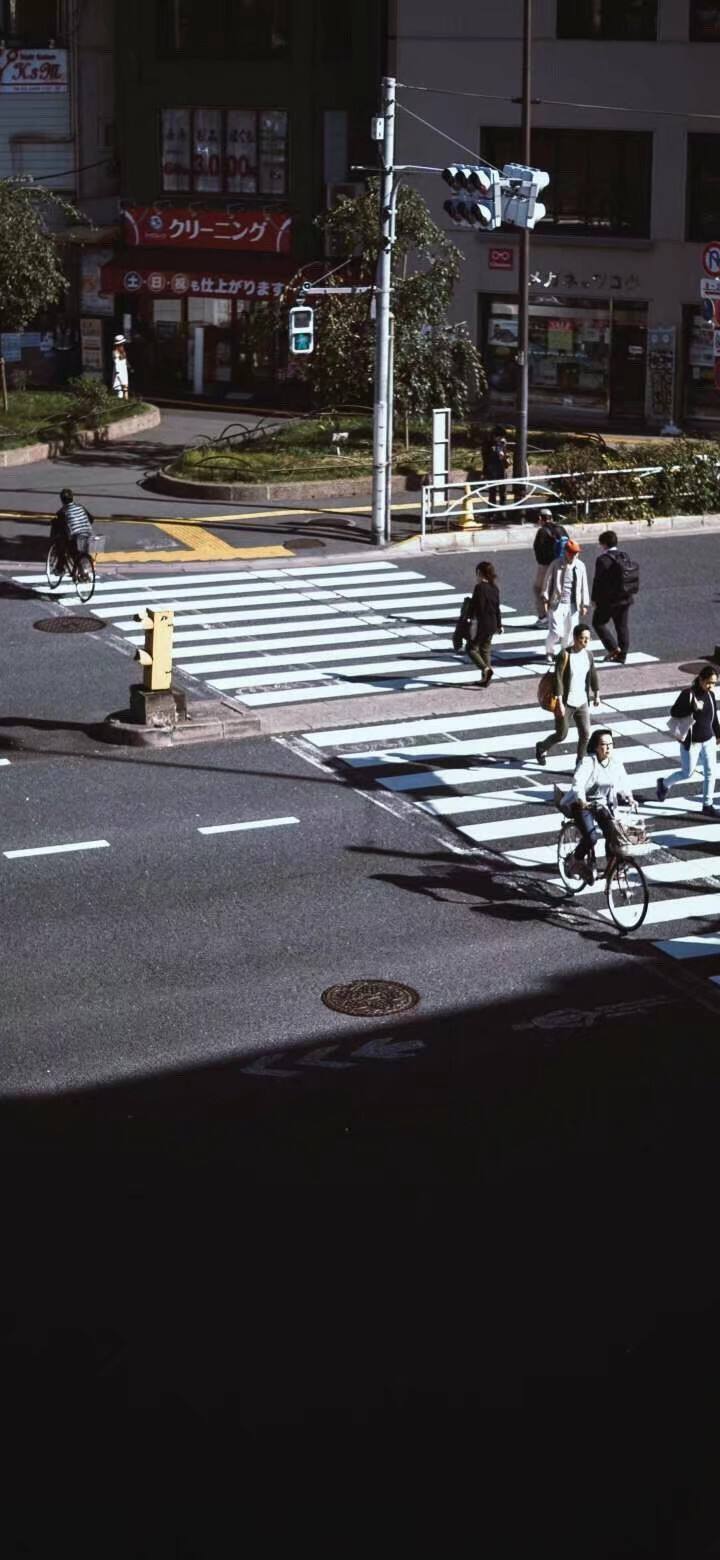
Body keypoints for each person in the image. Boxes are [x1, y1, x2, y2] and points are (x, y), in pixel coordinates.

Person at [561, 728, 636, 884]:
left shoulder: (615, 763)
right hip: (583, 804)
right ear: (596, 747)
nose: (607, 748)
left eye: (610, 744)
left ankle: (612, 866)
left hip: (602, 804)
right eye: (603, 744)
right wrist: (582, 800)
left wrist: (629, 797)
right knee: (591, 837)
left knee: (614, 833)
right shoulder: (589, 762)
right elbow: (578, 783)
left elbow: (623, 782)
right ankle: (576, 860)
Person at [656, 665, 719, 819]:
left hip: (708, 739)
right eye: (709, 682)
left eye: (714, 683)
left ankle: (707, 804)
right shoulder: (688, 694)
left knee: (711, 772)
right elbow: (674, 712)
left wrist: (718, 734)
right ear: (701, 679)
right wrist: (693, 708)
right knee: (687, 773)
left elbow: (714, 717)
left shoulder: (710, 694)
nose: (711, 686)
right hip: (692, 742)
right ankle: (664, 784)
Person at [535, 622, 600, 768]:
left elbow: (593, 674)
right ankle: (542, 747)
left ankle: (580, 764)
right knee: (561, 735)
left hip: (582, 701)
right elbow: (558, 678)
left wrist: (596, 693)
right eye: (583, 638)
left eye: (588, 638)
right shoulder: (565, 655)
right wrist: (559, 701)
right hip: (565, 702)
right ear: (575, 638)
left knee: (585, 734)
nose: (586, 641)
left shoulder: (588, 655)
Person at [541, 537, 590, 662]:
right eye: (571, 552)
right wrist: (545, 599)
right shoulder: (556, 564)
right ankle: (549, 650)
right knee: (556, 632)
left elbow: (584, 585)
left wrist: (584, 604)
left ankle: (564, 652)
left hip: (573, 604)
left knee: (571, 631)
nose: (574, 555)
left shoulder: (580, 566)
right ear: (566, 552)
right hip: (557, 603)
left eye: (576, 553)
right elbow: (547, 581)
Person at [591, 529, 633, 664]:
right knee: (622, 626)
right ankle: (623, 655)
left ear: (604, 544)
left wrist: (594, 599)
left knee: (598, 623)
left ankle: (613, 648)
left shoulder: (602, 560)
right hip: (625, 597)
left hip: (608, 601)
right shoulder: (624, 556)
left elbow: (598, 581)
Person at [466, 559, 503, 687]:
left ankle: (486, 670)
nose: (476, 576)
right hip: (492, 624)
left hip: (482, 624)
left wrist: (469, 619)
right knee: (485, 650)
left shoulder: (479, 588)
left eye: (477, 573)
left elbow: (478, 607)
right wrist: (499, 624)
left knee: (470, 648)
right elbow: (497, 608)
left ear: (481, 573)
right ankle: (485, 679)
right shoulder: (495, 588)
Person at [532, 508, 568, 625]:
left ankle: (543, 617)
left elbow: (538, 549)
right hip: (562, 563)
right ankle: (559, 616)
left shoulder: (542, 532)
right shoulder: (561, 529)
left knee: (539, 589)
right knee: (557, 590)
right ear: (551, 518)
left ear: (540, 519)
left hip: (547, 565)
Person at [52, 488, 93, 576]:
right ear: (72, 498)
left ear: (62, 500)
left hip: (76, 535)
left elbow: (58, 525)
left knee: (62, 547)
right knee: (80, 551)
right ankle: (83, 570)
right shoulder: (80, 507)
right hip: (87, 532)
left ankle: (60, 569)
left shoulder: (62, 512)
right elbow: (91, 518)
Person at [482, 424, 509, 507]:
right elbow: (485, 458)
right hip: (492, 469)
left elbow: (505, 454)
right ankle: (491, 511)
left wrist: (504, 455)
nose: (501, 439)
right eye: (500, 437)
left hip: (501, 468)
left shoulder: (502, 443)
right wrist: (495, 453)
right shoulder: (488, 444)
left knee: (503, 491)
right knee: (492, 491)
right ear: (495, 436)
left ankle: (502, 509)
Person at [111, 333, 130, 399]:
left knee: (124, 395)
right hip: (119, 379)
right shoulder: (115, 353)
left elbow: (124, 364)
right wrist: (123, 383)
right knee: (119, 396)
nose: (123, 345)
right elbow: (118, 368)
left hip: (124, 378)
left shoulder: (122, 352)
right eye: (122, 344)